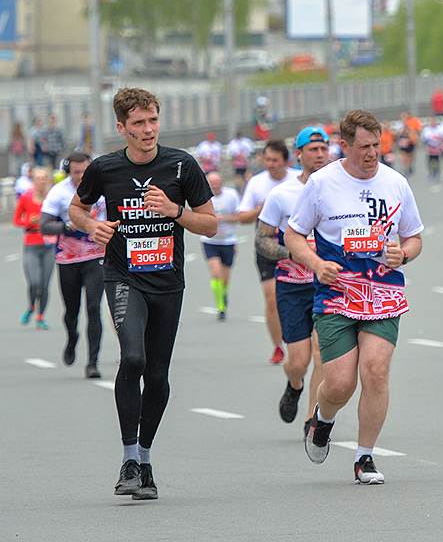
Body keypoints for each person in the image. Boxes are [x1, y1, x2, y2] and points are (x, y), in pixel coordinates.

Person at [69, 87, 217, 500]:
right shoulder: (105, 169)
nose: (148, 129)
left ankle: (146, 460)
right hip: (123, 276)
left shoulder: (181, 166)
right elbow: (76, 208)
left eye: (152, 120)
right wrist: (89, 226)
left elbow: (210, 224)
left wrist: (176, 212)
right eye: (138, 123)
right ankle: (128, 458)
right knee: (132, 357)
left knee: (157, 374)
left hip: (167, 282)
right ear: (122, 127)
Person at [288, 110, 424, 485]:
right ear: (343, 146)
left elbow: (414, 237)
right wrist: (316, 263)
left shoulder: (395, 183)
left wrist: (405, 253)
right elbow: (293, 235)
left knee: (376, 371)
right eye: (363, 146)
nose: (371, 154)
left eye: (375, 145)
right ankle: (323, 420)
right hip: (336, 293)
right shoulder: (321, 183)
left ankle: (365, 457)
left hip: (383, 293)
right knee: (340, 383)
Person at [259, 126, 329, 434]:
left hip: (327, 285)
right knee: (299, 360)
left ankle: (312, 419)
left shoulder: (338, 190)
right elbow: (261, 240)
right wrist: (291, 252)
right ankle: (294, 383)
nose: (319, 155)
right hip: (291, 286)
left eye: (323, 149)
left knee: (321, 352)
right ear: (298, 155)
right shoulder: (281, 195)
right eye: (312, 150)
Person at [40, 152, 106, 377]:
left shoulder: (104, 187)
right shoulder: (59, 193)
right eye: (76, 172)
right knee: (72, 310)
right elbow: (44, 226)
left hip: (96, 256)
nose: (81, 176)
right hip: (68, 259)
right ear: (69, 172)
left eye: (85, 171)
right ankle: (72, 337)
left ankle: (93, 362)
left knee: (94, 308)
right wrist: (66, 227)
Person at [237, 140, 301, 365]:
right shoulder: (256, 183)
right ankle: (277, 346)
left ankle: (301, 339)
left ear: (286, 161)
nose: (271, 164)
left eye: (275, 160)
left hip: (295, 244)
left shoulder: (298, 179)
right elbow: (242, 217)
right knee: (272, 298)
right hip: (265, 244)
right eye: (267, 160)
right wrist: (260, 209)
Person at [14, 167, 56, 331]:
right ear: (33, 180)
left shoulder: (52, 198)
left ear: (48, 180)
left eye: (44, 178)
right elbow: (17, 220)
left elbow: (62, 216)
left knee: (45, 284)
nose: (41, 181)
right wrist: (29, 222)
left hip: (48, 246)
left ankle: (40, 316)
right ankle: (31, 306)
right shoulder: (26, 198)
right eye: (38, 178)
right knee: (34, 283)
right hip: (31, 245)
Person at [201, 171, 241, 321]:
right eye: (212, 183)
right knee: (216, 273)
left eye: (218, 182)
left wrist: (222, 218)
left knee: (224, 279)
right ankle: (220, 307)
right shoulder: (203, 197)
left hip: (228, 241)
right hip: (209, 241)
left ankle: (223, 295)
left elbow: (239, 216)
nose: (215, 186)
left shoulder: (231, 195)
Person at [421, 117, 443, 183]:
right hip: (430, 147)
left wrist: (441, 146)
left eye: (434, 122)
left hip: (438, 147)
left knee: (437, 161)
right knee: (430, 162)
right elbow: (423, 139)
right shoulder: (426, 130)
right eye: (431, 122)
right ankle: (431, 173)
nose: (433, 123)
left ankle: (437, 173)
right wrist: (426, 147)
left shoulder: (439, 129)